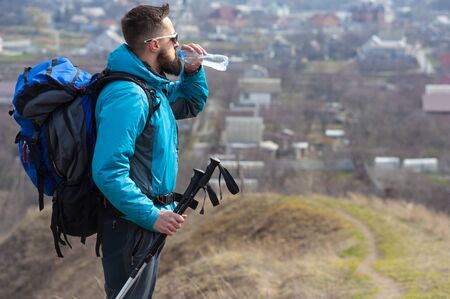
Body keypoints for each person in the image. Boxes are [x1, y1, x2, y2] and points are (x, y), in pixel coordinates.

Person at [91, 4, 208, 298]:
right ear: (155, 45)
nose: (178, 45)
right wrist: (151, 216)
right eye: (174, 39)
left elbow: (189, 104)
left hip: (144, 222)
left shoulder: (150, 88)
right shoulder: (129, 95)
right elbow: (107, 170)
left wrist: (192, 72)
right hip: (132, 223)